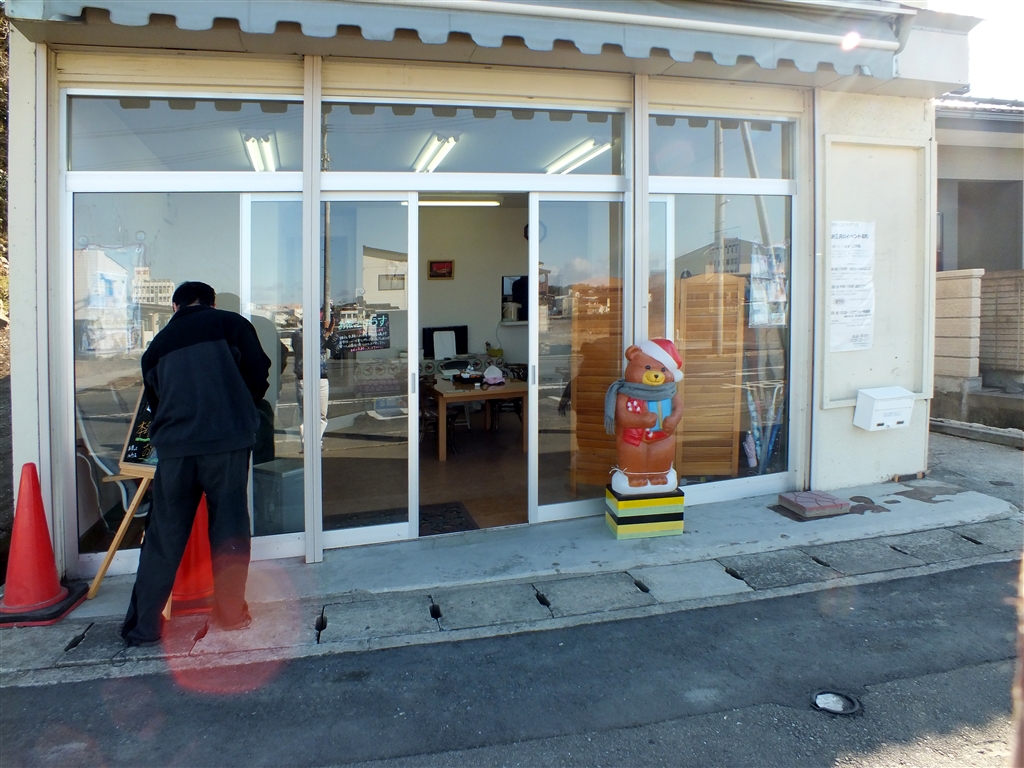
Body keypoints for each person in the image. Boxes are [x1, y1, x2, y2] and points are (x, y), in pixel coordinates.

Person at [121, 281, 271, 647]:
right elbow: (259, 373)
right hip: (226, 442)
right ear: (211, 302)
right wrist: (240, 405)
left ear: (175, 307)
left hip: (175, 449)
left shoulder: (158, 345)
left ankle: (144, 628)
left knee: (163, 535)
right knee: (229, 527)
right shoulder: (231, 324)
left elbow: (155, 398)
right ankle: (231, 615)